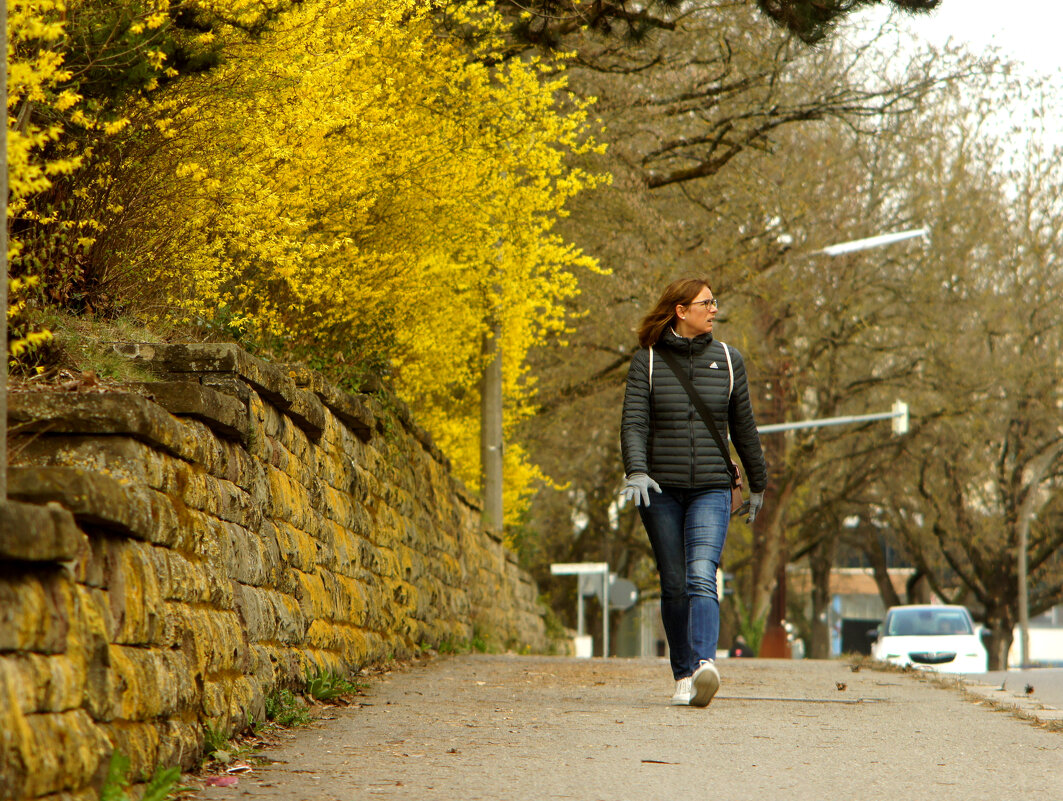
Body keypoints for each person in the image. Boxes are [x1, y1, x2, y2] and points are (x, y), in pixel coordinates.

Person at [620, 277, 767, 707]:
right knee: (673, 583)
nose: (714, 309)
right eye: (706, 303)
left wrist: (758, 483)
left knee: (702, 572)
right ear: (681, 310)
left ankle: (705, 665)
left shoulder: (728, 358)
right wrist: (636, 471)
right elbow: (634, 423)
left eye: (714, 302)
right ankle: (682, 673)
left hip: (711, 487)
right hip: (660, 489)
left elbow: (744, 427)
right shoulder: (645, 361)